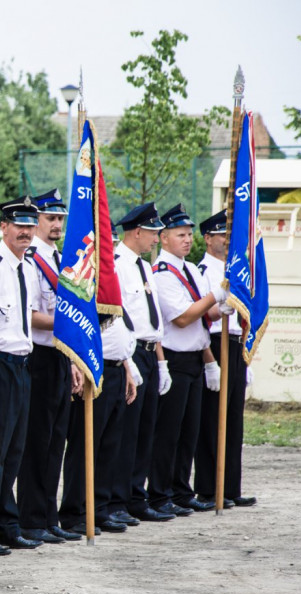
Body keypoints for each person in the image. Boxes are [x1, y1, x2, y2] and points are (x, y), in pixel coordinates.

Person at [0, 197, 42, 553]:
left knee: (14, 450)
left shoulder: (27, 267)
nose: (26, 232)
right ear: (4, 227)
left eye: (31, 226)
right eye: (19, 225)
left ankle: (6, 523)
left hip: (22, 364)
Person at [150, 203, 225, 516]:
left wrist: (229, 303)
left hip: (195, 357)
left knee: (189, 433)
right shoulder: (163, 273)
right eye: (180, 234)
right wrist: (217, 294)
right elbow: (182, 318)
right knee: (168, 432)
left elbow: (206, 315)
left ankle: (182, 491)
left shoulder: (191, 270)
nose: (187, 239)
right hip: (175, 360)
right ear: (164, 238)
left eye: (189, 234)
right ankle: (159, 494)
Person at [18, 189, 83, 544]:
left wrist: (71, 355)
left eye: (60, 218)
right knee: (37, 441)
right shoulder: (29, 261)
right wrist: (65, 327)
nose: (56, 224)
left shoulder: (59, 259)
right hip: (38, 358)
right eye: (50, 218)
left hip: (59, 355)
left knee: (56, 440)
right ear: (36, 221)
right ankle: (30, 519)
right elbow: (29, 315)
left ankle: (48, 515)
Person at [111, 203, 176, 524]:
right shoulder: (117, 264)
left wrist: (161, 362)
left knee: (145, 429)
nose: (156, 238)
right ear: (137, 231)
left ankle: (137, 496)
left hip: (150, 352)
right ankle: (118, 500)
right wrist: (128, 360)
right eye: (153, 232)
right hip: (131, 352)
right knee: (126, 431)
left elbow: (155, 320)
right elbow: (118, 316)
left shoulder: (144, 266)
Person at [193, 210, 257, 508]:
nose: (226, 241)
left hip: (234, 342)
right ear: (208, 239)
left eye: (229, 236)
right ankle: (208, 488)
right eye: (221, 235)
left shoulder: (237, 269)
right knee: (212, 419)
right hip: (215, 342)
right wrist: (224, 307)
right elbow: (203, 313)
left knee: (233, 418)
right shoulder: (203, 270)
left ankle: (230, 487)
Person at [58, 313, 138, 534]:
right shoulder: (88, 281)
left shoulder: (113, 283)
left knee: (109, 446)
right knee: (85, 445)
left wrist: (127, 370)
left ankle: (99, 509)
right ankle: (75, 513)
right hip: (93, 367)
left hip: (117, 367)